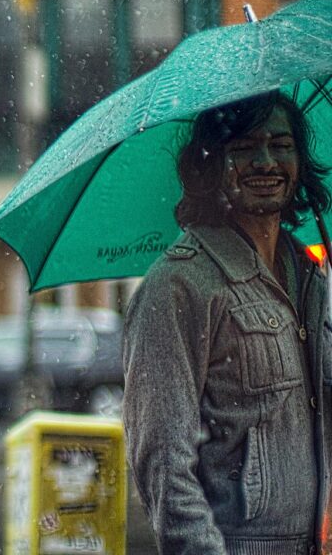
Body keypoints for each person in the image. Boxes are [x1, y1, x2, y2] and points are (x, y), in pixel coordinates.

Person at [123, 90, 332, 554]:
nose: (265, 161)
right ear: (211, 167)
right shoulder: (179, 285)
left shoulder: (314, 277)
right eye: (243, 149)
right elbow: (162, 462)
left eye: (281, 145)